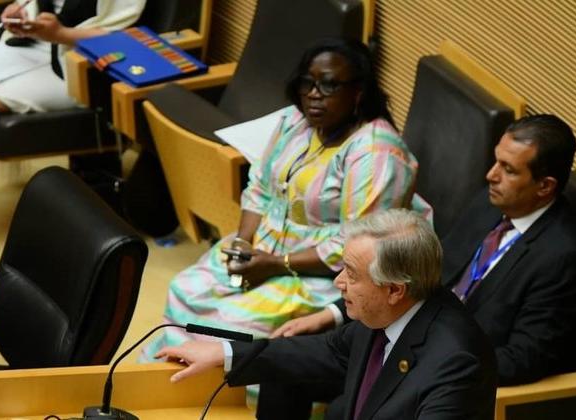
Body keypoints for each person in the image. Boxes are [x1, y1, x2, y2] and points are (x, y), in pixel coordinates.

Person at [140, 38, 431, 361]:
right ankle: (164, 376)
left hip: (323, 273)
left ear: (358, 92)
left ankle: (211, 387)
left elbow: (361, 244)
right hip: (264, 250)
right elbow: (260, 187)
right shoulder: (296, 120)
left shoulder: (378, 154)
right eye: (308, 83)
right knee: (184, 289)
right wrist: (243, 242)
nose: (314, 94)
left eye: (329, 85)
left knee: (230, 324)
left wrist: (276, 265)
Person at [273, 114, 576, 386]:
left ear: (545, 186)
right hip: (401, 332)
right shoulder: (491, 203)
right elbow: (419, 273)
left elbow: (523, 359)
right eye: (496, 161)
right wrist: (333, 314)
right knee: (286, 367)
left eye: (508, 169)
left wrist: (429, 365)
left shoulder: (561, 256)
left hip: (447, 374)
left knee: (341, 409)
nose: (491, 175)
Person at [156, 209, 497, 420]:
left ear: (395, 290)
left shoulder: (456, 364)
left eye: (351, 274)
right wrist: (224, 353)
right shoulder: (387, 312)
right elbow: (328, 350)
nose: (338, 282)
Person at [0, 0, 146, 116]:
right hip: (32, 46)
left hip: (85, 67)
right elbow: (27, 4)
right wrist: (17, 11)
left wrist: (61, 34)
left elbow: (127, 40)